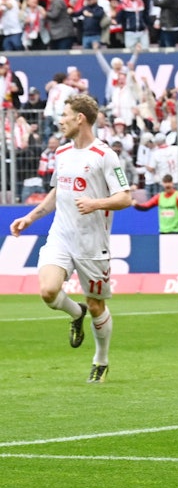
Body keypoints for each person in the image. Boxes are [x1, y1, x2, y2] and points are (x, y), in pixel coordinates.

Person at [8, 94, 132, 383]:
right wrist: (31, 217)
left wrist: (96, 203)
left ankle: (101, 360)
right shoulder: (62, 153)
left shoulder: (104, 155)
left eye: (64, 114)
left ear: (80, 118)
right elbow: (57, 193)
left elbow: (124, 197)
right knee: (48, 291)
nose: (59, 120)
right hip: (60, 236)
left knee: (98, 306)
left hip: (92, 243)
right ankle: (76, 313)